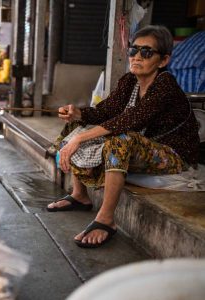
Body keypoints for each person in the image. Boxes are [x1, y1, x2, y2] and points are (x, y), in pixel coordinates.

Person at [46, 25, 200, 248]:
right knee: (79, 125)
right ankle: (80, 195)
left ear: (163, 60)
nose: (137, 57)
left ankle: (106, 220)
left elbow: (130, 121)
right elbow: (104, 112)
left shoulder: (165, 85)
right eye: (133, 50)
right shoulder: (130, 81)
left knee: (118, 141)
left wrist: (81, 139)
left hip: (172, 154)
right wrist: (76, 113)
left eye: (147, 52)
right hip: (142, 146)